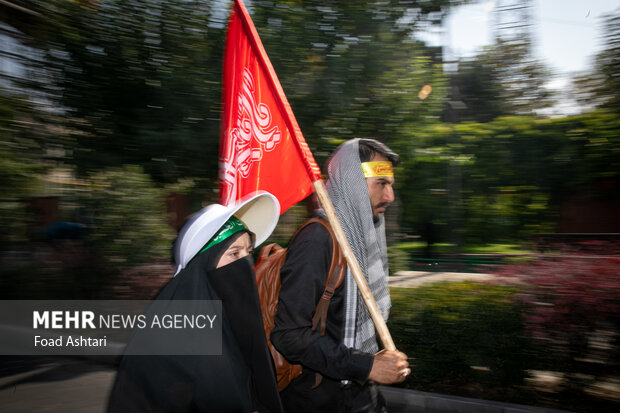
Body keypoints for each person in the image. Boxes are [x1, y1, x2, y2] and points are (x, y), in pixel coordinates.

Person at [107, 192, 284, 413]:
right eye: (234, 253)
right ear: (204, 262)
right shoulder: (167, 334)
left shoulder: (235, 318)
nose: (245, 263)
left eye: (248, 253)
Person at [271, 138, 409, 413]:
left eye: (390, 184)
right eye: (381, 183)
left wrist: (370, 369)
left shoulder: (360, 238)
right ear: (352, 183)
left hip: (360, 396)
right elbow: (289, 335)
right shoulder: (317, 240)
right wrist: (367, 365)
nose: (390, 196)